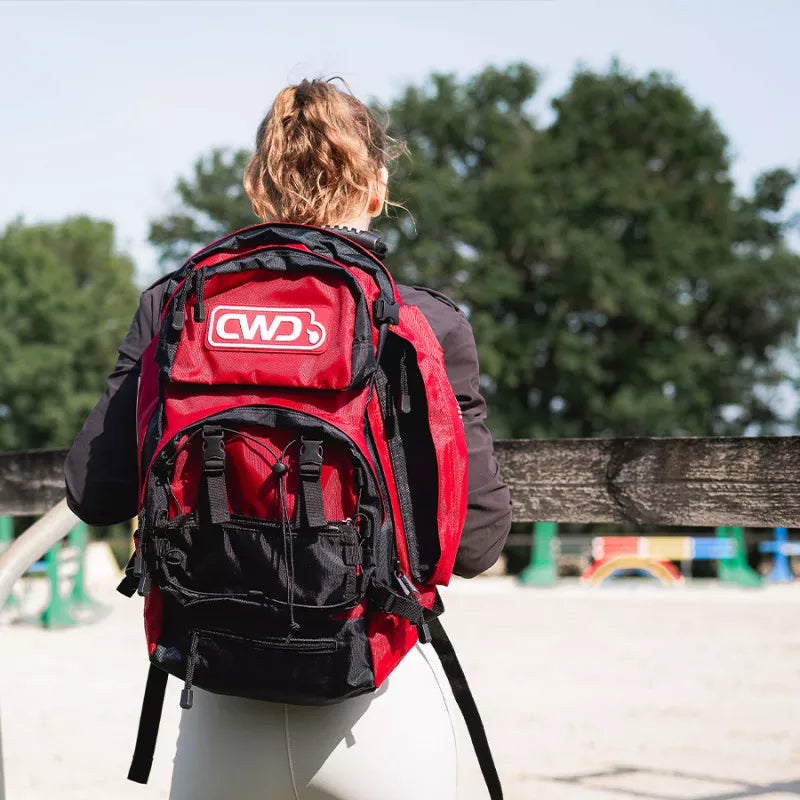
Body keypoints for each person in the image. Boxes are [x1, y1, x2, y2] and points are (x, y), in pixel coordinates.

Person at [65, 77, 512, 800]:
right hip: (378, 705)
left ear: (256, 185)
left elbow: (93, 493)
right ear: (376, 185)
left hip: (219, 702)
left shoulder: (175, 307)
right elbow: (477, 545)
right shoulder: (422, 320)